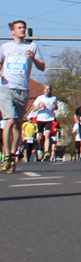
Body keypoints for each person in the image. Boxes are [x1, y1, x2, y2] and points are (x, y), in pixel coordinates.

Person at [1, 21, 45, 174]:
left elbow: (42, 67)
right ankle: (7, 156)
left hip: (23, 89)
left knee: (19, 124)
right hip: (6, 87)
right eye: (19, 28)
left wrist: (33, 58)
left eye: (24, 28)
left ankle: (13, 155)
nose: (23, 30)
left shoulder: (31, 47)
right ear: (12, 32)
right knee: (10, 119)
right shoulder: (5, 47)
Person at [30, 85, 60, 161]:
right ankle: (40, 149)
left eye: (49, 89)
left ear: (51, 90)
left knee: (47, 134)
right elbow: (34, 108)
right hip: (40, 119)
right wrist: (40, 106)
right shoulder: (40, 98)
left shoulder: (54, 98)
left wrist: (55, 107)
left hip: (49, 119)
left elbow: (56, 107)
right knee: (40, 137)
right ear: (44, 90)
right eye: (46, 89)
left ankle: (46, 151)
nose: (47, 91)